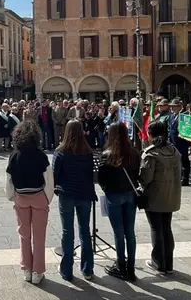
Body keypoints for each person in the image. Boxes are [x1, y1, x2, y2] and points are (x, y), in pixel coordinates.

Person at [5, 120, 54, 285]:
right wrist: (47, 198)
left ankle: (26, 269)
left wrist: (12, 196)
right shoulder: (41, 155)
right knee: (39, 237)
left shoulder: (14, 154)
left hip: (21, 197)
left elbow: (9, 179)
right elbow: (49, 180)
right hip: (39, 196)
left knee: (23, 235)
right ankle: (37, 271)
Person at [53, 119, 96, 281]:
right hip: (85, 194)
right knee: (85, 231)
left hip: (67, 194)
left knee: (67, 232)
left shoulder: (61, 151)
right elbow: (91, 174)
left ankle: (66, 271)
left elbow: (55, 175)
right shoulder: (88, 151)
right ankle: (87, 269)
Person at [97, 123, 140, 281]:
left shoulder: (107, 154)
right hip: (130, 193)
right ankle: (131, 267)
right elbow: (137, 174)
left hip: (114, 194)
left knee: (118, 231)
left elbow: (101, 178)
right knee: (130, 232)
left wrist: (107, 189)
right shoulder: (134, 153)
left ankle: (121, 264)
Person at [139, 120, 182, 275]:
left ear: (150, 135)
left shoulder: (151, 153)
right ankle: (168, 264)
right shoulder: (173, 150)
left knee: (156, 228)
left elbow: (146, 178)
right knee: (166, 227)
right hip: (171, 194)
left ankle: (158, 262)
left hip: (155, 195)